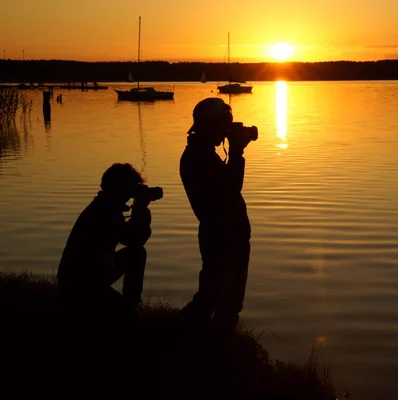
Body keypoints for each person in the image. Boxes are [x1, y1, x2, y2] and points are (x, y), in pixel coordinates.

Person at [179, 98, 253, 339]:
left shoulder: (202, 153)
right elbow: (231, 188)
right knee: (217, 300)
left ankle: (207, 346)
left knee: (218, 299)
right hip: (222, 235)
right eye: (224, 125)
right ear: (211, 125)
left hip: (225, 232)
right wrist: (237, 152)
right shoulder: (198, 157)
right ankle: (176, 340)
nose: (227, 131)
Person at [56, 163, 155, 318]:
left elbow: (131, 239)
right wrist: (141, 209)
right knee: (133, 321)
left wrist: (139, 212)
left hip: (90, 275)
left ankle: (131, 303)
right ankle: (128, 307)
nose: (132, 194)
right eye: (131, 188)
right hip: (82, 284)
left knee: (136, 253)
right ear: (120, 187)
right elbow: (134, 239)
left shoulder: (105, 206)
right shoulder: (106, 211)